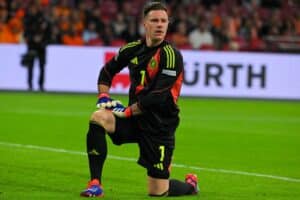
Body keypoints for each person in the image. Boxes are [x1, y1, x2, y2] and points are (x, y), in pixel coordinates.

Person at [80, 2, 199, 198]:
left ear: (168, 24)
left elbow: (157, 96)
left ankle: (190, 186)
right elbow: (106, 72)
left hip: (160, 127)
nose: (160, 25)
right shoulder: (132, 49)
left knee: (158, 191)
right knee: (98, 117)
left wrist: (126, 111)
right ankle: (95, 184)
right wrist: (104, 95)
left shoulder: (171, 56)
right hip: (135, 120)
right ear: (145, 23)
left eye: (163, 21)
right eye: (154, 20)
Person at [23, 3, 51, 91]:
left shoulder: (44, 20)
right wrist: (33, 38)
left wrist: (43, 41)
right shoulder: (28, 19)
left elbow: (48, 34)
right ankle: (30, 85)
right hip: (32, 46)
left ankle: (41, 85)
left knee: (42, 67)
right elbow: (26, 33)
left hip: (41, 47)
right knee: (30, 66)